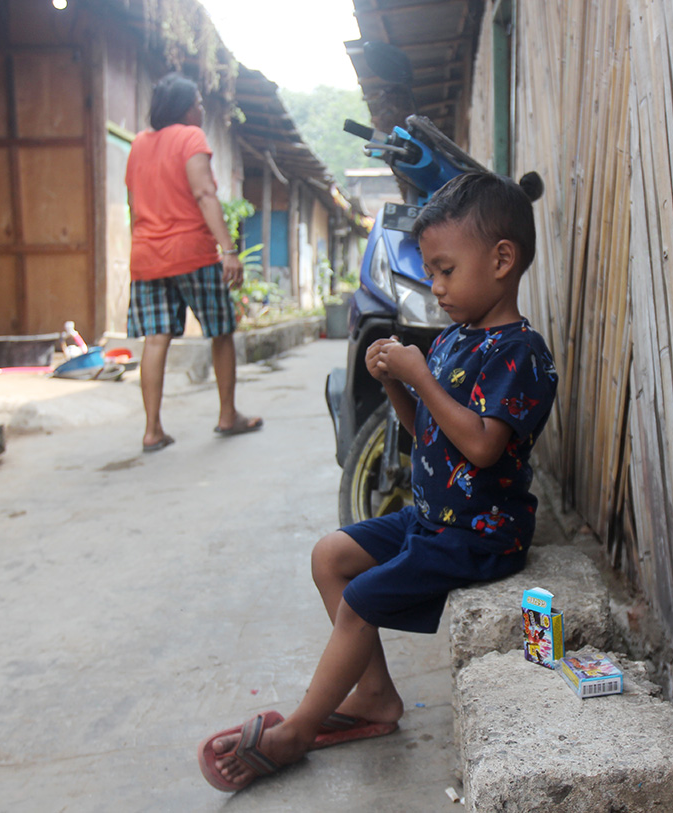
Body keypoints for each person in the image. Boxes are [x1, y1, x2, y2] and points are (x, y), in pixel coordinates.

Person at [196, 171, 558, 792]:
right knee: (331, 556)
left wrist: (420, 375)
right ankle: (374, 696)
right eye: (431, 272)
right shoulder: (451, 340)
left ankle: (298, 732)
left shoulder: (518, 351)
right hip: (431, 520)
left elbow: (481, 444)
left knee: (362, 599)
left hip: (477, 533)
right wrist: (397, 383)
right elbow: (427, 434)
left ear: (502, 260)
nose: (435, 287)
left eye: (444, 270)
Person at [125, 72, 262, 453]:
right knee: (220, 331)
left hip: (147, 255)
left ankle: (152, 430)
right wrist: (228, 250)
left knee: (156, 339)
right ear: (186, 108)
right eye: (199, 102)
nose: (202, 109)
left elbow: (134, 204)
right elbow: (204, 193)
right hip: (192, 252)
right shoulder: (190, 137)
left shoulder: (138, 145)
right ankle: (227, 414)